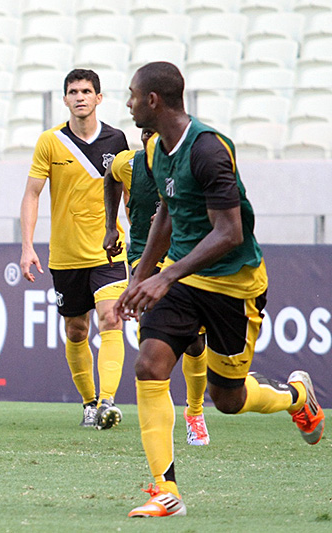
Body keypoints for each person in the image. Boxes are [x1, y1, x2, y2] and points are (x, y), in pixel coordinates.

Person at [120, 61, 325, 518]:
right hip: (181, 277)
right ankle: (163, 491)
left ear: (152, 100)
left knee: (228, 400)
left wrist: (164, 277)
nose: (128, 103)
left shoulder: (209, 149)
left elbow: (229, 232)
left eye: (131, 94)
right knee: (149, 366)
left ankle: (296, 397)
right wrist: (142, 277)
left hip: (235, 284)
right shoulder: (155, 151)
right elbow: (166, 215)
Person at [20, 68, 130, 430]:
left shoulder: (117, 140)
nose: (80, 97)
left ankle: (107, 401)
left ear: (99, 98)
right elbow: (32, 195)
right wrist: (27, 247)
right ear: (64, 99)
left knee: (111, 318)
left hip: (108, 251)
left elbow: (130, 194)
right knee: (76, 332)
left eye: (86, 91)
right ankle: (87, 402)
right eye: (73, 91)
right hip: (66, 255)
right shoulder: (50, 142)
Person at [103, 128, 210, 446]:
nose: (151, 140)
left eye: (157, 133)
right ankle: (158, 430)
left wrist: (177, 219)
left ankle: (195, 413)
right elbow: (110, 176)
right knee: (152, 342)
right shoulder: (129, 164)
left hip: (184, 258)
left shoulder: (191, 164)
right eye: (146, 133)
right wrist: (112, 226)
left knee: (194, 343)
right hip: (143, 258)